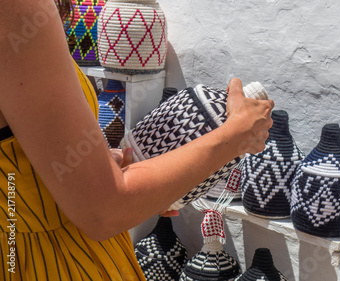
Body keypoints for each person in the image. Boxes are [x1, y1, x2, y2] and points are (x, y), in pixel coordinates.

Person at [0, 0, 274, 280]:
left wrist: (97, 170)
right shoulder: (17, 8)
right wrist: (238, 134)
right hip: (52, 261)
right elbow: (104, 210)